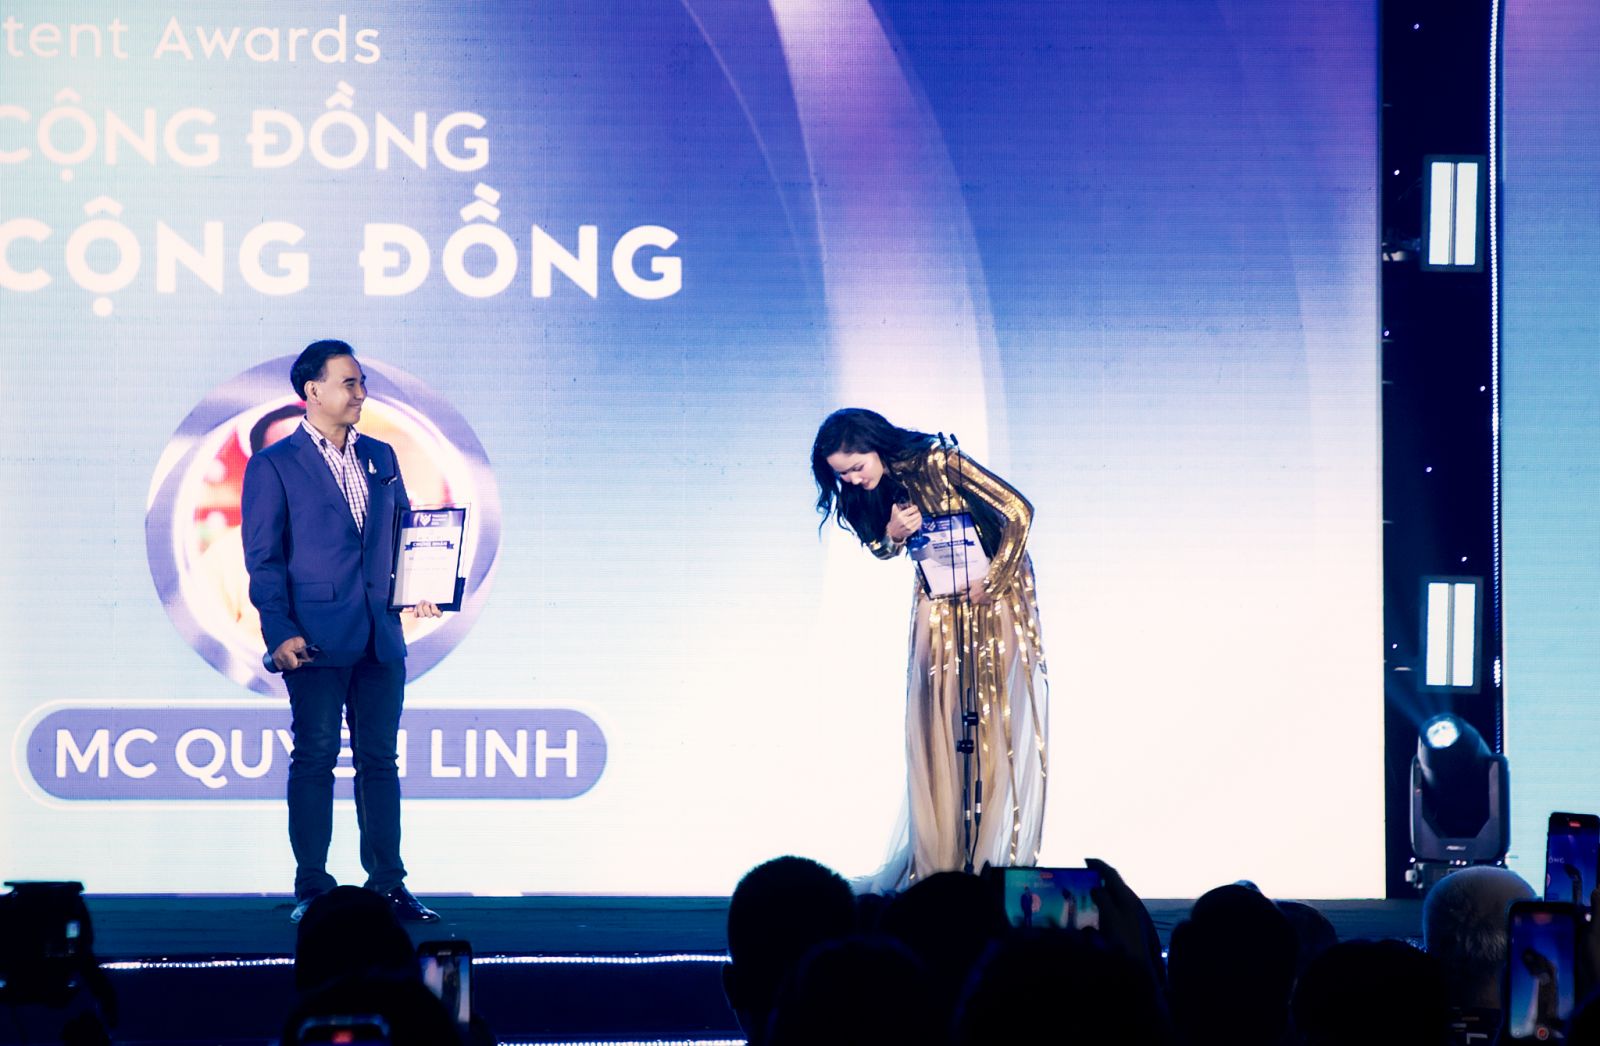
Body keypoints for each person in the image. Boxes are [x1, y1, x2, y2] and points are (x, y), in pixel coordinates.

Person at [242, 339, 442, 924]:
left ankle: (389, 883)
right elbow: (264, 560)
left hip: (381, 634)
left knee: (380, 759)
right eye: (349, 383)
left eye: (361, 382)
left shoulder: (381, 455)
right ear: (314, 391)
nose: (361, 393)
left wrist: (422, 582)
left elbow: (405, 531)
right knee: (315, 757)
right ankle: (313, 887)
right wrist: (279, 631)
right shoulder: (274, 464)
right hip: (314, 639)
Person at [810, 408, 1048, 887]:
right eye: (842, 474)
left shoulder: (937, 461)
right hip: (937, 598)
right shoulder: (867, 493)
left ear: (876, 446)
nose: (852, 480)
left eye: (856, 467)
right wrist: (892, 535)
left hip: (991, 591)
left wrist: (994, 579)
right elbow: (880, 547)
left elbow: (1018, 511)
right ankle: (941, 863)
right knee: (934, 711)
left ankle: (983, 860)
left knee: (986, 713)